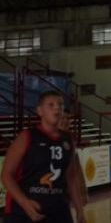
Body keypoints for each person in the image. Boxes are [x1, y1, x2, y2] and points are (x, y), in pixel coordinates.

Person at [1, 91, 85, 223]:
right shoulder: (26, 137)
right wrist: (25, 203)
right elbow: (6, 175)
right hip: (23, 211)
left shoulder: (68, 139)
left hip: (57, 209)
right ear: (40, 111)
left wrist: (80, 210)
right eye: (51, 105)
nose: (57, 108)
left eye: (60, 105)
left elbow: (71, 176)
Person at [58, 111, 89, 212]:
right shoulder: (47, 137)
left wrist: (82, 192)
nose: (66, 121)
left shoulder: (70, 137)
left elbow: (76, 167)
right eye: (62, 118)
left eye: (68, 118)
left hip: (64, 191)